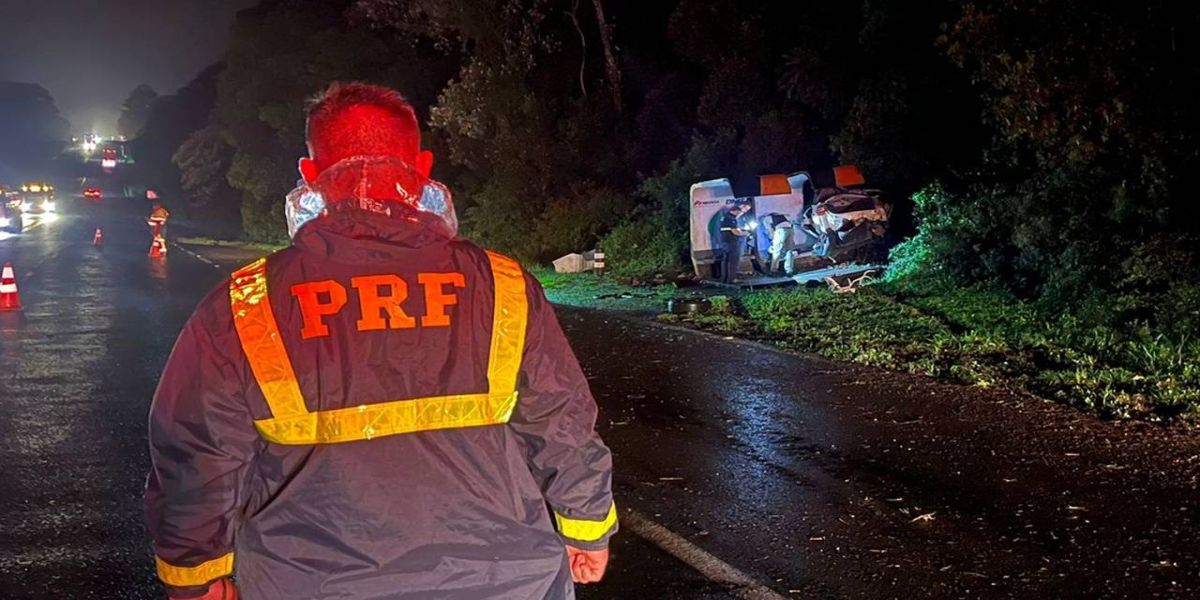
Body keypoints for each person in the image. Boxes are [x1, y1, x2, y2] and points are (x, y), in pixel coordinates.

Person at [145, 82, 617, 600]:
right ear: (422, 166)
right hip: (505, 582)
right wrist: (587, 526)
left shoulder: (244, 303)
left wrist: (197, 576)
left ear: (309, 176)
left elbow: (196, 453)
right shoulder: (502, 286)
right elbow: (562, 417)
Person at [718, 202, 750, 283]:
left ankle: (724, 279)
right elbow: (735, 232)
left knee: (725, 260)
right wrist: (745, 233)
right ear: (735, 211)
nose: (739, 215)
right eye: (739, 213)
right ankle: (732, 279)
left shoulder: (724, 217)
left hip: (724, 241)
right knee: (733, 260)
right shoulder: (731, 218)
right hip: (731, 241)